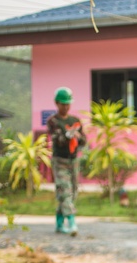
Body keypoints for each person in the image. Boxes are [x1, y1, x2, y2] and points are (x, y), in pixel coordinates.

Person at [46, 87, 87, 236]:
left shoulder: (75, 121)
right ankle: (71, 222)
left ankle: (59, 222)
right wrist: (67, 136)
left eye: (68, 103)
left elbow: (83, 141)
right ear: (57, 103)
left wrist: (77, 136)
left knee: (72, 192)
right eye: (63, 104)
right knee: (65, 190)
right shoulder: (53, 121)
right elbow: (57, 139)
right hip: (60, 161)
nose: (66, 106)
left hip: (73, 160)